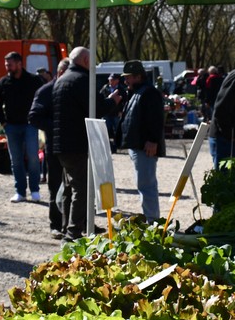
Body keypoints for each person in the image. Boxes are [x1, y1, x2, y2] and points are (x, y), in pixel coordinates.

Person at [52, 47, 118, 240]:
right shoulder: (83, 80)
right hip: (77, 143)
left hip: (61, 143)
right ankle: (72, 233)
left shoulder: (60, 80)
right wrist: (112, 101)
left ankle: (67, 227)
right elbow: (97, 108)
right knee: (81, 190)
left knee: (68, 188)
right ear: (86, 60)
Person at [29, 57, 72, 239]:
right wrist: (57, 126)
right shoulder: (46, 91)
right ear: (61, 72)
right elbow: (34, 117)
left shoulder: (73, 89)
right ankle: (56, 224)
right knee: (56, 186)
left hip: (75, 146)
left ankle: (75, 223)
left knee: (76, 187)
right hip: (55, 147)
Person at [118, 60, 165, 222]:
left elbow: (156, 119)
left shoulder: (149, 93)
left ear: (138, 77)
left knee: (146, 185)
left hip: (145, 146)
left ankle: (152, 220)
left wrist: (153, 140)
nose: (125, 81)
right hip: (139, 145)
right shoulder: (138, 92)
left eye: (128, 77)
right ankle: (151, 219)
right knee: (144, 184)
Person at [0, 51, 44, 202]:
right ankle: (20, 191)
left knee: (33, 158)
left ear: (19, 64)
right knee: (16, 160)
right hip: (11, 127)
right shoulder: (3, 82)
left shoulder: (33, 80)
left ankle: (35, 190)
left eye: (10, 64)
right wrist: (3, 123)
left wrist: (38, 118)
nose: (7, 67)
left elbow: (42, 98)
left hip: (30, 125)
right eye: (6, 64)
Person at [99, 72, 126, 150]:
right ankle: (106, 145)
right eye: (110, 79)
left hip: (116, 114)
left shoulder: (121, 89)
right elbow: (100, 98)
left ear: (117, 80)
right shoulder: (105, 88)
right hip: (106, 113)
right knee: (105, 129)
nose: (111, 81)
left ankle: (117, 145)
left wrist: (121, 111)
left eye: (113, 80)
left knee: (117, 130)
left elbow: (125, 101)